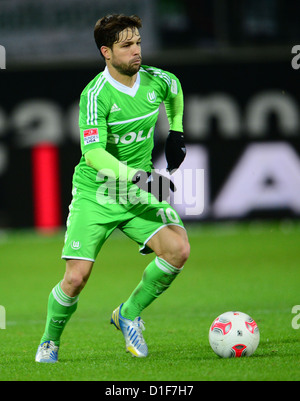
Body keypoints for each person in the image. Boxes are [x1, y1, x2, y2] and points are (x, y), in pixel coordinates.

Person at [35, 14, 190, 363]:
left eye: (138, 43)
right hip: (97, 192)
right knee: (76, 278)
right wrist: (138, 177)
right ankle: (49, 341)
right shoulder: (95, 95)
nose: (136, 51)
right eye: (126, 46)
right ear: (107, 52)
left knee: (178, 250)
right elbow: (93, 155)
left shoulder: (156, 80)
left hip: (136, 193)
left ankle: (128, 313)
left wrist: (177, 130)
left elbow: (175, 88)